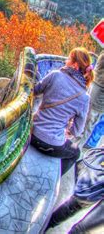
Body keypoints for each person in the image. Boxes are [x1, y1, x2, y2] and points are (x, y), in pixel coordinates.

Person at [32, 47, 94, 176]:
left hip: (32, 134)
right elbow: (77, 131)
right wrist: (68, 131)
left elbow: (35, 91)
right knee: (75, 153)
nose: (66, 60)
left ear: (75, 65)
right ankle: (55, 178)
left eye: (69, 58)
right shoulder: (84, 97)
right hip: (54, 144)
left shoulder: (55, 75)